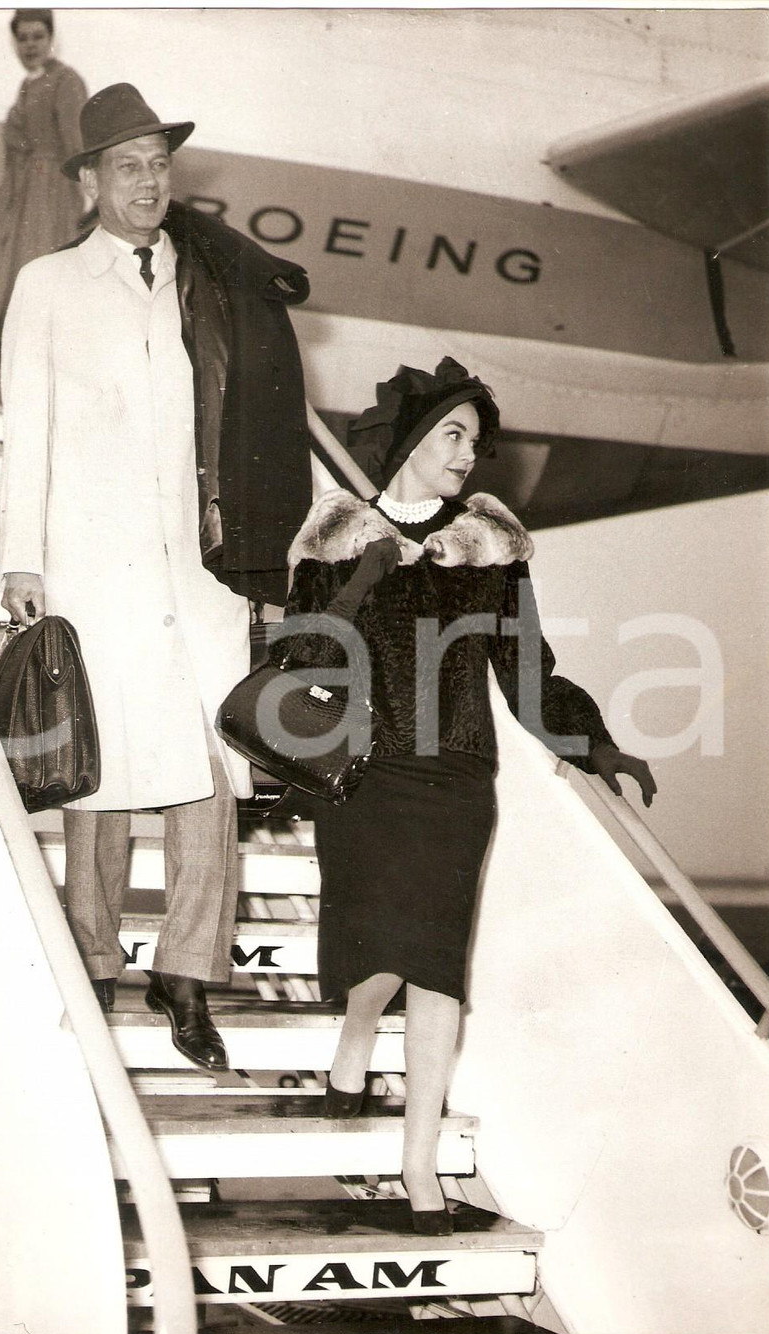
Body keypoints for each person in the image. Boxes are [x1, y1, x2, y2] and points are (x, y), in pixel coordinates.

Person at [278, 357, 656, 1232]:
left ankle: (418, 1171)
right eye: (453, 435)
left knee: (437, 969)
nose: (467, 456)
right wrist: (369, 571)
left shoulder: (488, 545)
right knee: (375, 967)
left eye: (475, 442)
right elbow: (300, 662)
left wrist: (593, 742)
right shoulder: (333, 537)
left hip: (454, 779)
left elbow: (530, 673)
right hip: (363, 776)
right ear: (411, 441)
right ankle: (355, 1038)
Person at [0, 83, 311, 1069]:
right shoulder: (46, 285)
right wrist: (21, 555)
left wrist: (260, 543)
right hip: (94, 559)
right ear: (88, 180)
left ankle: (186, 974)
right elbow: (27, 433)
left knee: (205, 769)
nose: (146, 181)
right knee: (100, 768)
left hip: (198, 562)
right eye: (126, 165)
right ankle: (92, 958)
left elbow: (257, 417)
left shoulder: (206, 278)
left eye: (157, 164)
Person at [0, 9, 87, 369]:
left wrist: (85, 196)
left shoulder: (66, 81)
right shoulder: (26, 86)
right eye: (23, 38)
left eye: (37, 37)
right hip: (20, 199)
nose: (30, 45)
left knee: (40, 285)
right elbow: (10, 167)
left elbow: (76, 145)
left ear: (51, 38)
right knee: (14, 287)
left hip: (50, 197)